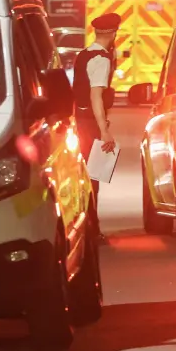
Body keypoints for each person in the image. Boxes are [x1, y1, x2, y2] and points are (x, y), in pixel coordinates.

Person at [72, 12, 120, 244]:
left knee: (86, 177)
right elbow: (96, 96)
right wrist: (104, 130)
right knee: (94, 178)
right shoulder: (101, 59)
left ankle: (88, 227)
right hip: (90, 124)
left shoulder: (84, 55)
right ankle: (92, 230)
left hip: (80, 121)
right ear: (113, 33)